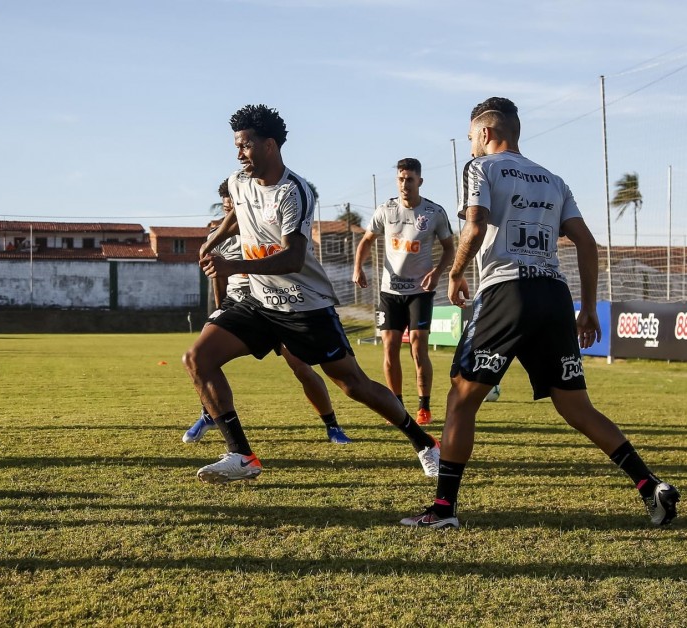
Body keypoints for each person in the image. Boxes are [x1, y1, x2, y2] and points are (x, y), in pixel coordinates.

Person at [401, 97, 679, 528]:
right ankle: (649, 485)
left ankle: (442, 511)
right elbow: (587, 244)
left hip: (507, 293)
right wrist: (587, 309)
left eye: (473, 136)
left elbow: (474, 225)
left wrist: (454, 273)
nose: (472, 144)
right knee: (577, 408)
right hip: (553, 296)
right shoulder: (554, 179)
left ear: (487, 133)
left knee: (460, 399)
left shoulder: (481, 168)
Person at [183, 104, 440, 484]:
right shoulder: (238, 181)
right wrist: (215, 241)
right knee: (198, 358)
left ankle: (425, 444)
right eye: (237, 146)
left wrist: (232, 265)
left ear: (269, 145)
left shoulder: (294, 191)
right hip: (257, 300)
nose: (239, 153)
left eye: (245, 145)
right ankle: (242, 455)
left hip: (304, 306)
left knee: (354, 385)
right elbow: (238, 212)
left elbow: (292, 256)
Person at [183, 179, 353, 445]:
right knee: (199, 357)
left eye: (235, 208)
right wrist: (219, 308)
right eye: (228, 208)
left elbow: (294, 259)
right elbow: (217, 277)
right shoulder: (218, 237)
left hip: (276, 303)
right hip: (238, 305)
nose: (232, 214)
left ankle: (332, 425)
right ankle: (209, 414)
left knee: (303, 369)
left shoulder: (271, 228)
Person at [352, 158, 454, 426]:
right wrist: (358, 268)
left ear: (419, 181)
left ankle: (424, 407)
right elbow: (366, 240)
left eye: (410, 179)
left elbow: (450, 248)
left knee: (419, 348)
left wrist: (437, 272)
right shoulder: (386, 210)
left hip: (420, 291)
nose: (404, 184)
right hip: (389, 291)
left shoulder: (434, 213)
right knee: (390, 348)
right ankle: (396, 406)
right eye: (400, 179)